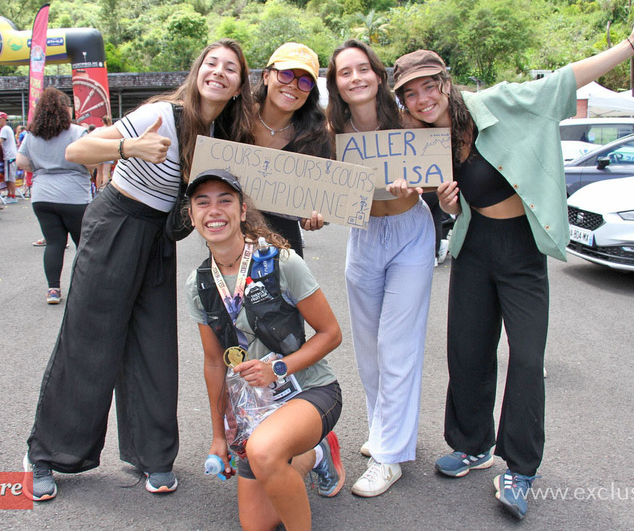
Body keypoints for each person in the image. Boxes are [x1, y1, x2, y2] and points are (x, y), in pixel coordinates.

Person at [392, 6, 634, 520]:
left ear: (445, 82)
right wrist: (450, 205)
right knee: (467, 350)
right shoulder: (427, 142)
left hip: (521, 250)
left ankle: (520, 467)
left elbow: (565, 81)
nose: (422, 100)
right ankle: (472, 444)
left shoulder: (500, 102)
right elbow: (435, 197)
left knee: (526, 358)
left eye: (428, 86)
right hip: (474, 246)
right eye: (410, 94)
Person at [23, 39, 254, 502]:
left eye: (231, 69)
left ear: (237, 87)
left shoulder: (222, 137)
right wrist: (129, 146)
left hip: (156, 239)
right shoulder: (165, 114)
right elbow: (78, 152)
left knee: (153, 344)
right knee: (90, 339)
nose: (220, 73)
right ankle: (45, 455)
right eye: (212, 63)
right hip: (116, 223)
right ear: (197, 70)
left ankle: (154, 457)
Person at [185, 169, 344, 531]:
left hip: (308, 390)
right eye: (202, 203)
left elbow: (331, 333)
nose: (214, 211)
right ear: (192, 216)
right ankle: (316, 454)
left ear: (242, 211)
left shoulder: (280, 262)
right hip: (253, 408)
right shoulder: (199, 284)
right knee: (256, 523)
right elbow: (213, 364)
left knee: (263, 451)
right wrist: (217, 436)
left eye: (225, 200)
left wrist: (280, 368)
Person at [326, 39, 435, 497]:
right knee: (368, 347)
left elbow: (436, 170)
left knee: (397, 346)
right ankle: (383, 430)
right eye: (344, 72)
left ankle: (390, 457)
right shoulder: (331, 129)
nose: (355, 78)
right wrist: (316, 210)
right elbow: (320, 188)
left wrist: (420, 182)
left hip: (410, 233)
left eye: (362, 68)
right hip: (364, 238)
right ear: (335, 83)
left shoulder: (408, 121)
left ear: (377, 73)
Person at [251, 42, 328, 256]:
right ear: (266, 76)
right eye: (285, 74)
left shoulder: (315, 137)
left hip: (285, 249)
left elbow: (322, 198)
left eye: (305, 81)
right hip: (230, 244)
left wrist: (315, 215)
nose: (293, 85)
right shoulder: (235, 119)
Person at [17, 88, 92, 304]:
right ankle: (82, 288)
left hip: (42, 195)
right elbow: (91, 161)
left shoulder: (31, 134)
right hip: (74, 196)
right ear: (65, 109)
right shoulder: (77, 132)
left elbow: (21, 162)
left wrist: (42, 167)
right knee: (83, 244)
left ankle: (53, 290)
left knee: (54, 243)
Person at [0, 112, 19, 204]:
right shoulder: (7, 129)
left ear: (3, 119)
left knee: (11, 178)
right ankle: (10, 194)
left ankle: (12, 195)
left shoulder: (4, 129)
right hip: (9, 156)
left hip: (10, 156)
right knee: (8, 178)